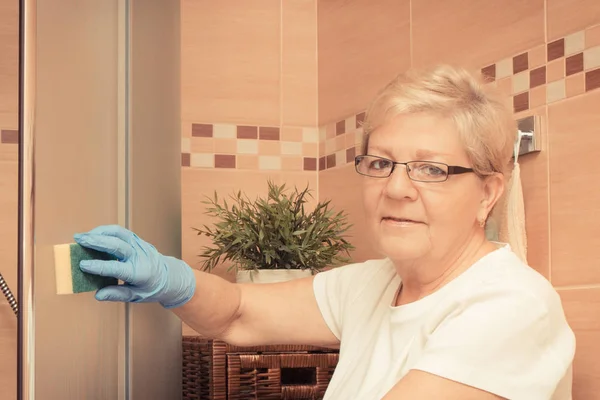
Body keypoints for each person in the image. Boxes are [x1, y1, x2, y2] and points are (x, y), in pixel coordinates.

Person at [74, 64, 576, 400]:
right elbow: (239, 313)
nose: (396, 188)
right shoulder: (374, 283)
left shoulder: (511, 306)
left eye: (431, 170)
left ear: (488, 192)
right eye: (381, 162)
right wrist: (171, 279)